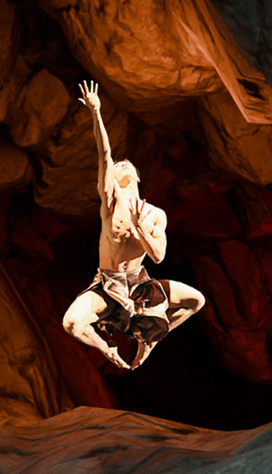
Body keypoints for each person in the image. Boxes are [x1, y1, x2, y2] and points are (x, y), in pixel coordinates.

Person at [61, 81, 207, 370]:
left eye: (129, 164)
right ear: (112, 178)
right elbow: (104, 154)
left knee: (196, 301)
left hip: (140, 285)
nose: (123, 164)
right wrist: (96, 112)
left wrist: (141, 228)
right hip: (108, 283)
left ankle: (150, 340)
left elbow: (158, 256)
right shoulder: (111, 201)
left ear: (138, 178)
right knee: (72, 323)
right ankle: (109, 349)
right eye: (119, 165)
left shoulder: (154, 214)